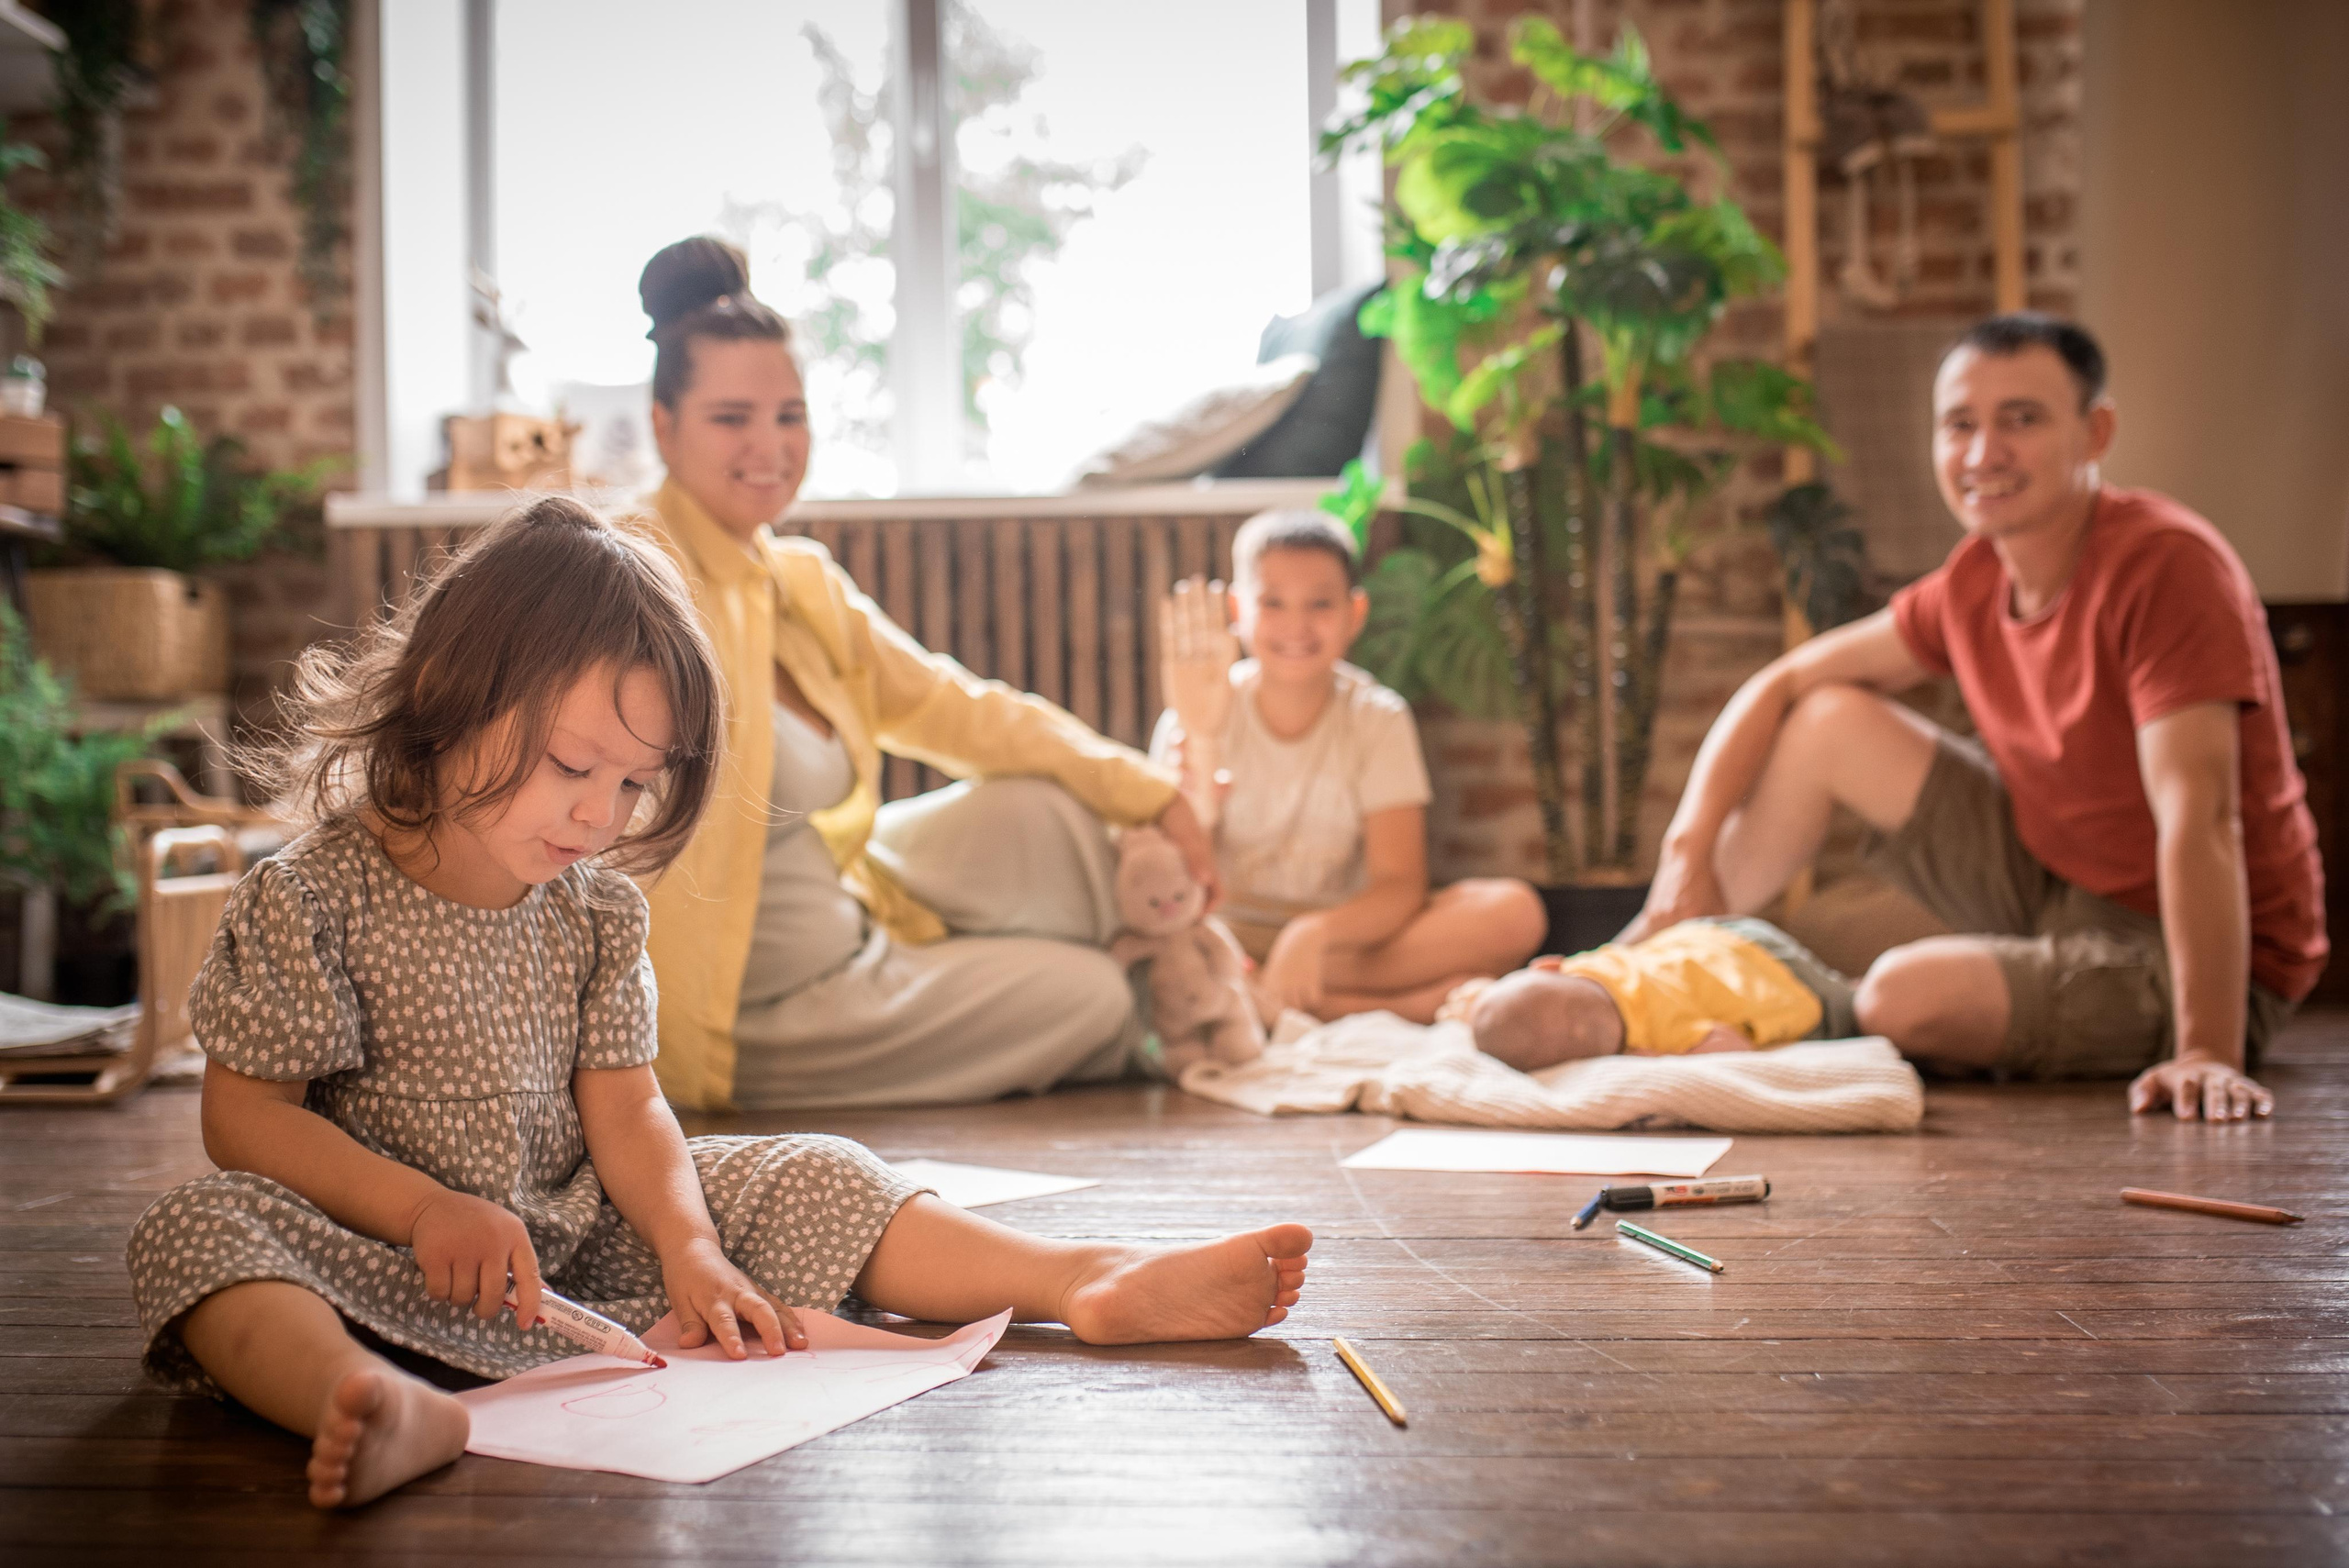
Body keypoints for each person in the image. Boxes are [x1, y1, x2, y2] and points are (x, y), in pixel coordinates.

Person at [122, 500, 1313, 1511]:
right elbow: (247, 1119)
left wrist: (689, 1247)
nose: (600, 814)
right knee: (203, 1228)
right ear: (450, 692)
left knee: (813, 1171)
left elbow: (629, 1108)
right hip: (376, 1257)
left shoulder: (595, 906)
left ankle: (1078, 1277)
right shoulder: (311, 895)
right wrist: (425, 1208)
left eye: (635, 785)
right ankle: (371, 1399)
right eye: (573, 767)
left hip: (579, 1242)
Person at [1623, 313, 2326, 1121]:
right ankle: (1639, 967)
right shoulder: (1975, 579)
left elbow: (2201, 821)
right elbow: (1784, 682)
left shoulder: (2168, 566)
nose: (1983, 453)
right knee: (1827, 720)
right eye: (1960, 424)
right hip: (2055, 879)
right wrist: (1685, 852)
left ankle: (1776, 1023)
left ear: (2095, 432)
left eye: (2021, 419)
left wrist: (2206, 1050)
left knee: (1902, 994)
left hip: (2202, 954)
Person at [628, 237, 1219, 1111]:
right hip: (753, 1013)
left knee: (1053, 812)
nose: (770, 445)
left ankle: (1183, 964)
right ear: (663, 425)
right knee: (1093, 997)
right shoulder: (632, 579)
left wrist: (1156, 794)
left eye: (790, 415)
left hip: (856, 911)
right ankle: (1178, 997)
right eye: (731, 418)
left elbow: (956, 709)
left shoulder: (796, 580)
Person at [1151, 509, 1545, 1023]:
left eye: (1320, 604)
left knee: (1515, 914)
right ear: (1237, 610)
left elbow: (1399, 883)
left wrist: (1312, 934)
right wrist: (1200, 768)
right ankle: (1386, 1006)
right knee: (1165, 944)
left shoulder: (1377, 718)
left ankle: (1271, 994)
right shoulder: (1196, 711)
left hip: (1345, 943)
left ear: (1355, 613)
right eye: (1272, 602)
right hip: (1227, 935)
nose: (1297, 625)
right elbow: (1172, 874)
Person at [1441, 917, 1860, 1072]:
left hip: (1792, 988)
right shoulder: (1584, 965)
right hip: (1726, 932)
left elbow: (1731, 1047)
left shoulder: (1658, 1033)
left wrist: (1668, 1060)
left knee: (1853, 1005)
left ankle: (1855, 986)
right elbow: (1516, 1003)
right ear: (1548, 965)